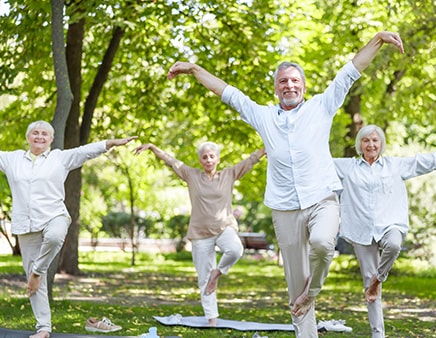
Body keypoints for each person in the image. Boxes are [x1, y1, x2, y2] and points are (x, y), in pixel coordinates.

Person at [167, 31, 404, 337]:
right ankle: (305, 319)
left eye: (294, 81)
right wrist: (193, 68)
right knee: (296, 287)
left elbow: (351, 70)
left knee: (321, 243)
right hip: (284, 208)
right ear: (276, 89)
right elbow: (226, 91)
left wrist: (379, 40)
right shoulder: (263, 116)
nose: (289, 85)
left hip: (322, 199)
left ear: (303, 86)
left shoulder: (322, 106)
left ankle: (313, 292)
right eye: (283, 82)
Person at [333, 124, 436, 338]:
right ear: (359, 144)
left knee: (394, 245)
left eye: (375, 140)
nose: (371, 144)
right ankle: (378, 333)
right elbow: (315, 164)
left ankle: (379, 279)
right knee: (368, 282)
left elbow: (426, 161)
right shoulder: (347, 167)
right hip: (361, 230)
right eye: (366, 140)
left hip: (390, 224)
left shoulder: (395, 165)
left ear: (381, 144)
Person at [0, 120, 137, 338]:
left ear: (51, 140)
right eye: (35, 133)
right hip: (26, 225)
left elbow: (86, 151)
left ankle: (37, 271)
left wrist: (111, 143)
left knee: (54, 239)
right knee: (36, 285)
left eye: (45, 134)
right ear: (28, 137)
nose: (39, 136)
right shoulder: (12, 159)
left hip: (55, 216)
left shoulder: (59, 158)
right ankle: (43, 328)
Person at [134, 142, 265, 326]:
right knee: (203, 277)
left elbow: (250, 161)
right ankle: (212, 319)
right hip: (200, 233)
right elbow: (171, 161)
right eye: (205, 157)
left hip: (224, 228)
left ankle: (217, 273)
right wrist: (152, 148)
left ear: (218, 158)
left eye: (212, 156)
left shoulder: (228, 174)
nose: (209, 159)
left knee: (235, 250)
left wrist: (265, 148)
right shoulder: (191, 175)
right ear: (200, 160)